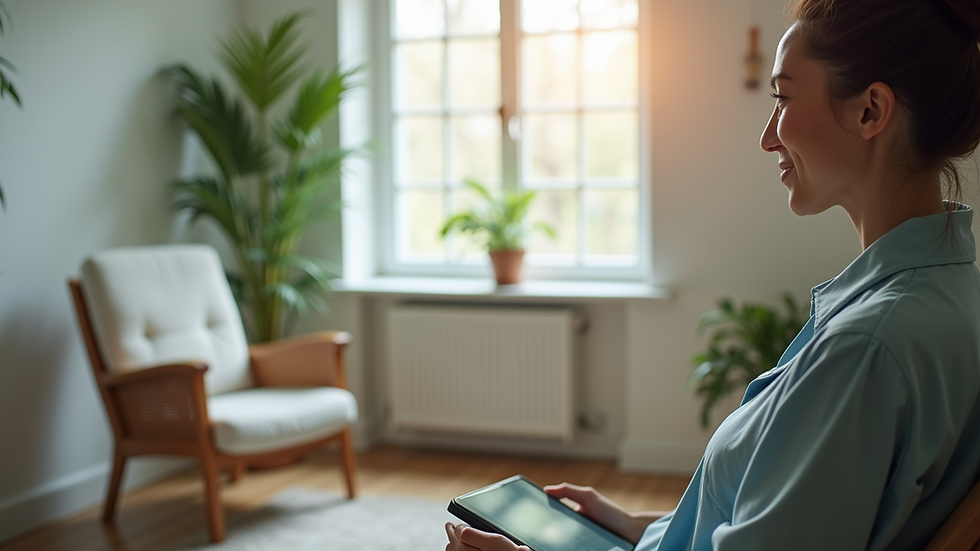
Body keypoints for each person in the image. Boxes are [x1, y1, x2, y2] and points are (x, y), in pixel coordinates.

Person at [445, 0, 980, 549]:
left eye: (784, 98)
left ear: (871, 111)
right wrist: (642, 527)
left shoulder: (866, 347)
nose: (768, 136)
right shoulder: (946, 294)